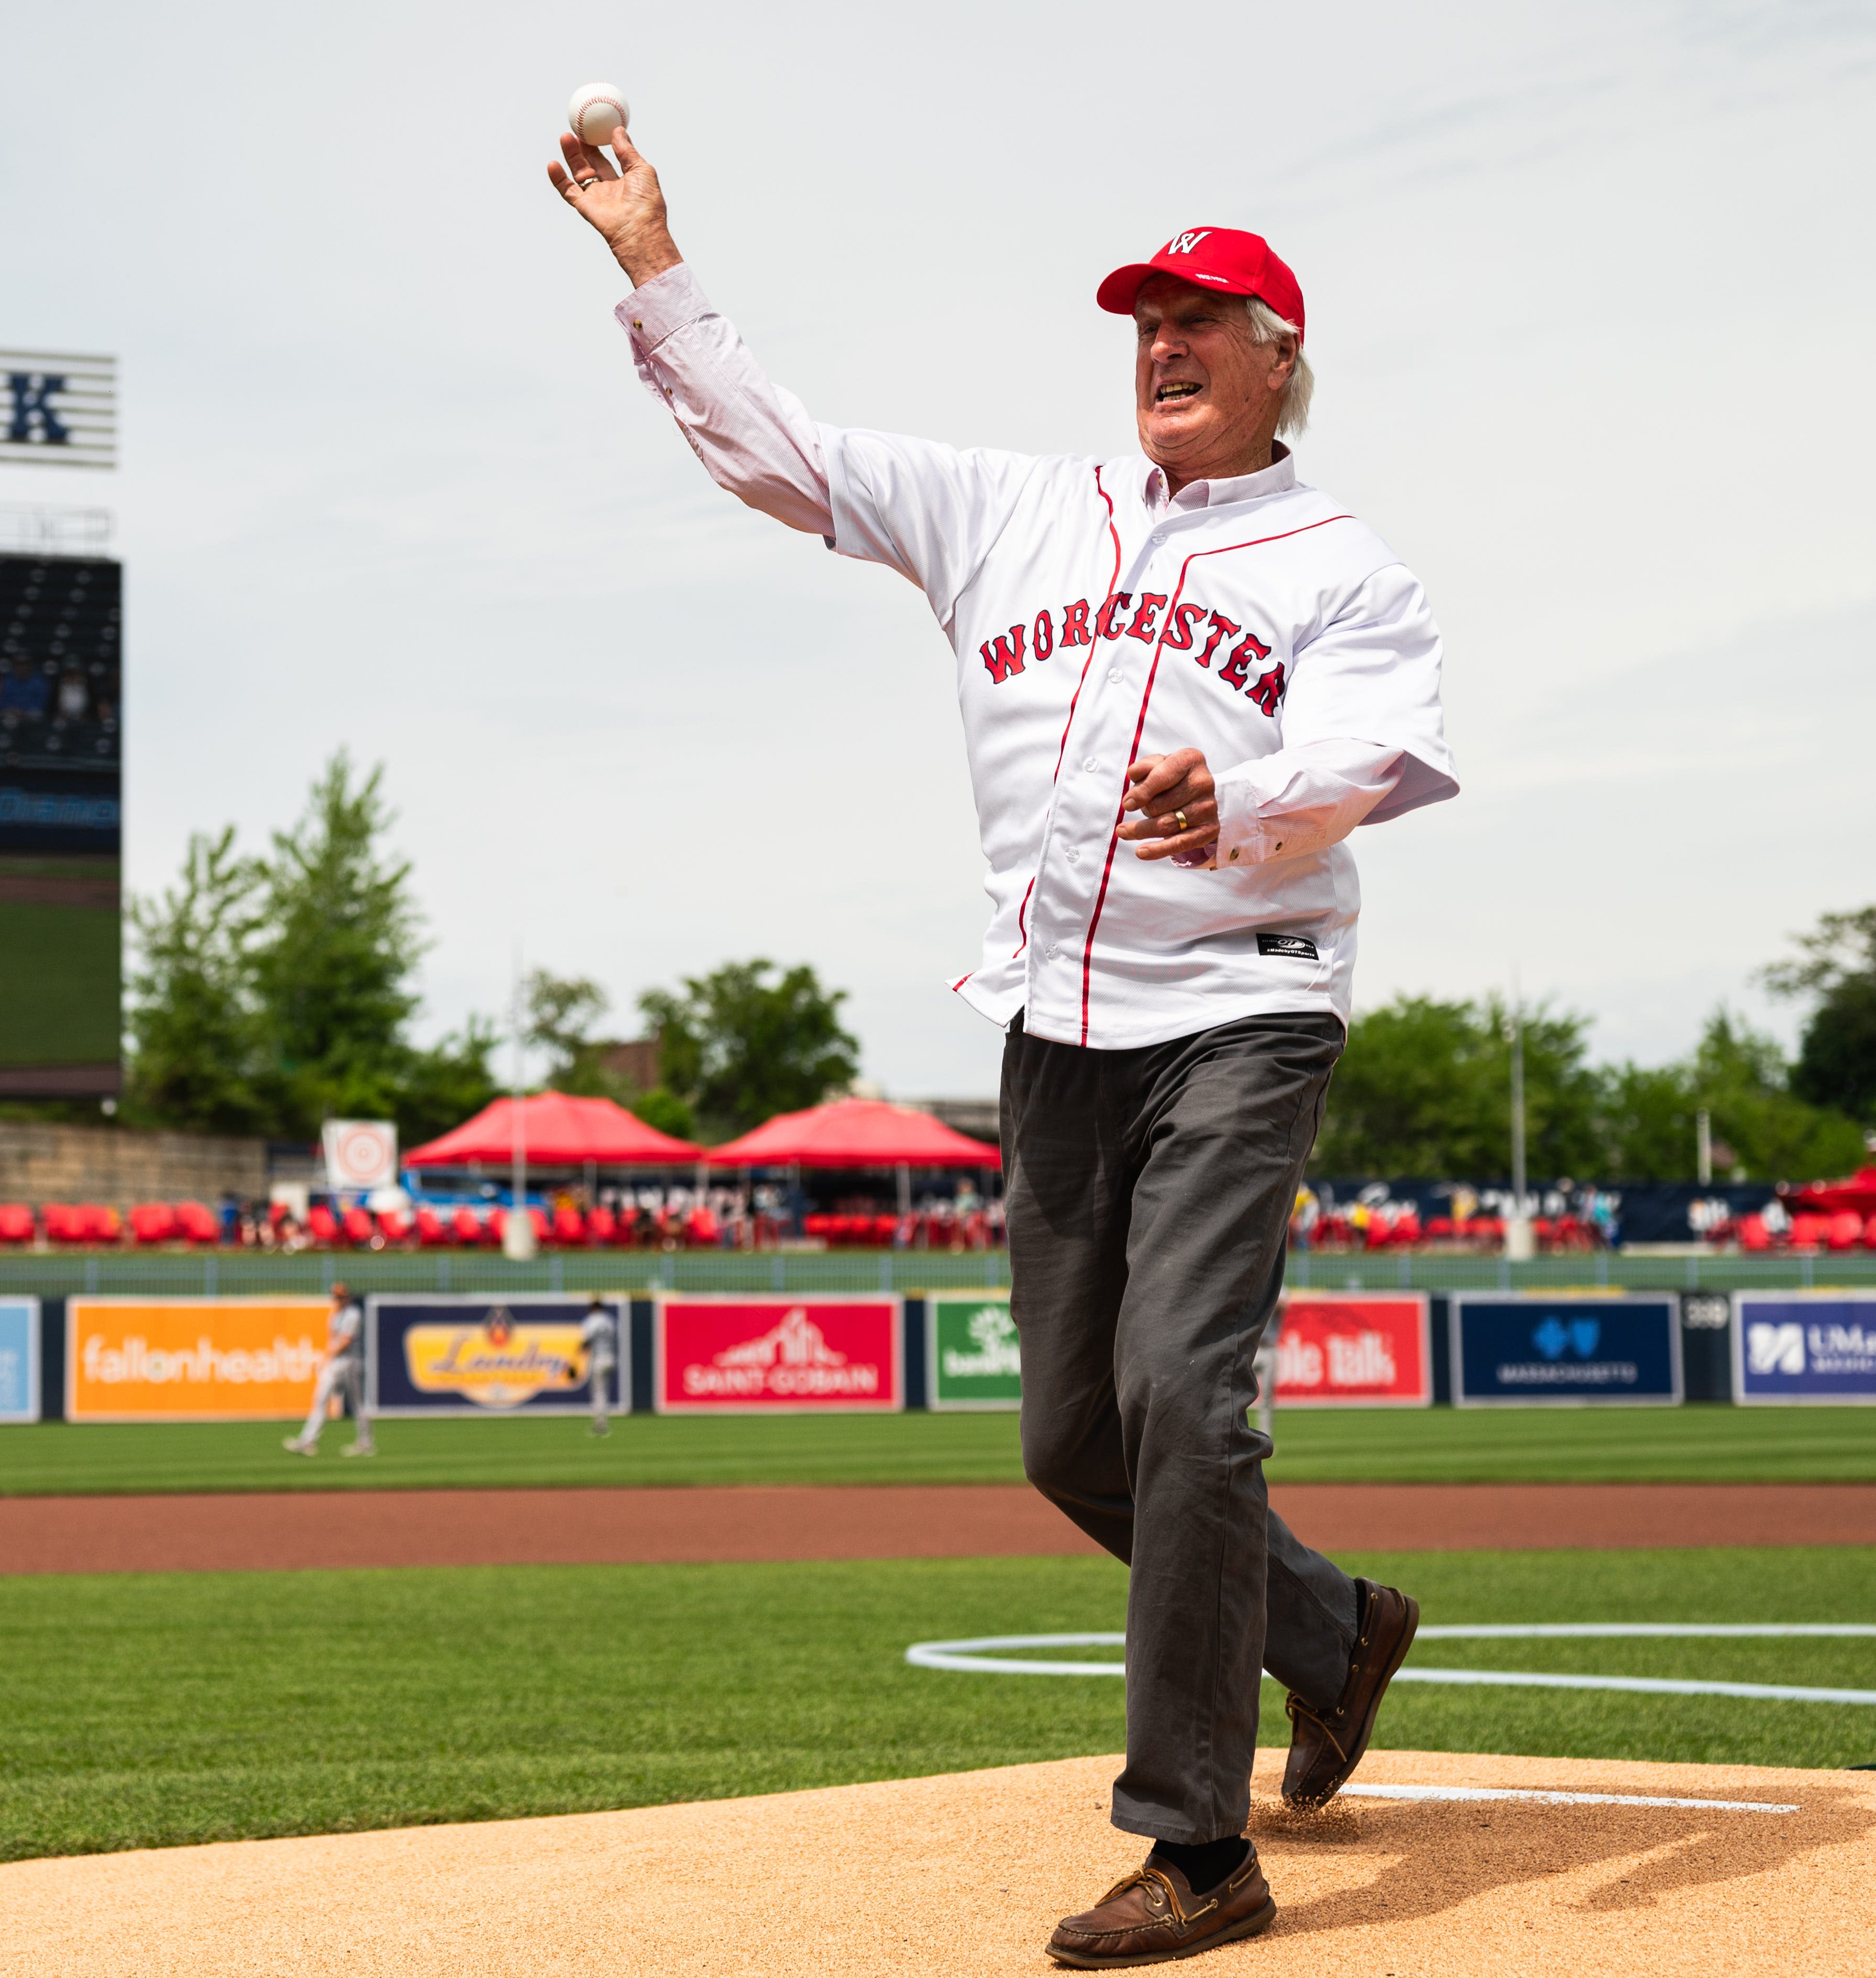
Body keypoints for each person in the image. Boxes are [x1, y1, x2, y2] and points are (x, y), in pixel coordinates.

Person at [554, 124, 1455, 1968]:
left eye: (1204, 315)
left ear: (1284, 347)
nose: (1165, 341)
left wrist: (1256, 793)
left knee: (1186, 1397)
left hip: (1245, 1002)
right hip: (1055, 1023)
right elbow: (779, 450)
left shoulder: (1339, 560)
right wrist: (652, 260)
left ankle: (1194, 1846)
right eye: (1146, 317)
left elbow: (1379, 752)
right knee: (1071, 1437)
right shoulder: (1013, 510)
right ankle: (1331, 1626)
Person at [284, 1281, 372, 1458]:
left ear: (347, 1297)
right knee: (320, 1399)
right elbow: (332, 1340)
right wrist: (327, 1359)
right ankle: (308, 1441)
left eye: (341, 1297)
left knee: (357, 1404)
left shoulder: (353, 1314)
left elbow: (345, 1342)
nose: (338, 1300)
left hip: (349, 1362)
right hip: (335, 1363)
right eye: (336, 1297)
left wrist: (326, 1358)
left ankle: (366, 1442)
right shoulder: (335, 1315)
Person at [579, 1295, 617, 1439]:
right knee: (604, 1393)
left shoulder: (591, 1321)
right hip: (610, 1357)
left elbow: (586, 1343)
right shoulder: (610, 1321)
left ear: (593, 1308)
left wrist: (577, 1356)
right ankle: (602, 1424)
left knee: (598, 1394)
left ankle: (600, 1427)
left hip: (598, 1359)